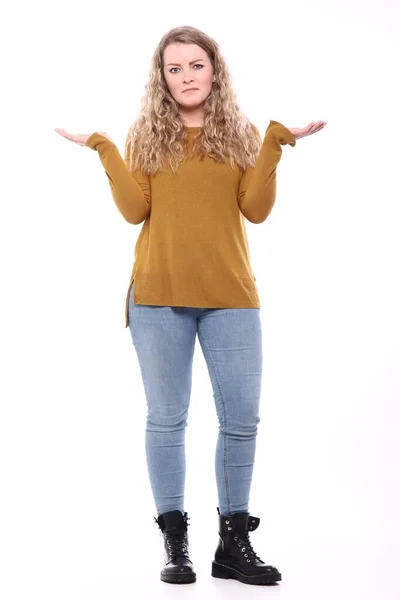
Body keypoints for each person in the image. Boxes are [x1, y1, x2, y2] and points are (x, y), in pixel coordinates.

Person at [55, 25, 326, 587]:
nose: (186, 77)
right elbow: (134, 212)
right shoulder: (146, 135)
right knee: (167, 419)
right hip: (157, 297)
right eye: (174, 68)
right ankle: (175, 541)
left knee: (242, 421)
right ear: (162, 77)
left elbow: (256, 209)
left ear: (214, 71)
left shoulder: (240, 132)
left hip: (230, 297)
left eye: (195, 66)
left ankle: (233, 542)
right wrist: (104, 148)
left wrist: (275, 142)